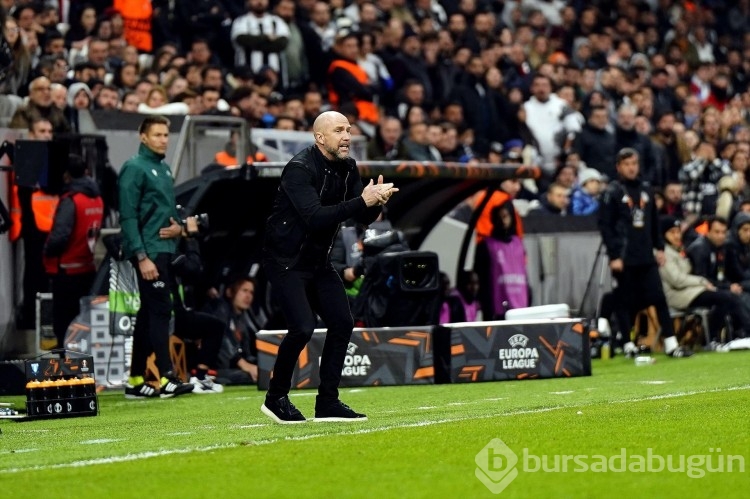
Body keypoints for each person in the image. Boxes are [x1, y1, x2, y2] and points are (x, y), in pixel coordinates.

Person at [261, 111, 397, 424]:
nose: (347, 136)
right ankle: (275, 397)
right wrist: (363, 201)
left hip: (318, 261)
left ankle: (328, 402)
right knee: (303, 328)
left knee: (342, 321)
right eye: (339, 130)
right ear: (320, 138)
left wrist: (377, 203)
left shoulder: (348, 167)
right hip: (285, 261)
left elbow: (360, 218)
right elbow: (316, 216)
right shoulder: (298, 168)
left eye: (348, 129)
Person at [118, 115, 193, 399]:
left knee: (148, 314)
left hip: (165, 250)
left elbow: (165, 212)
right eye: (158, 135)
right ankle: (167, 377)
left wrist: (178, 228)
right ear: (143, 137)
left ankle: (135, 381)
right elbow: (127, 216)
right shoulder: (134, 168)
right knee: (161, 310)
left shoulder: (162, 168)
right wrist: (141, 256)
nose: (164, 139)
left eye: (166, 134)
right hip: (149, 252)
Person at [598, 148, 692, 358]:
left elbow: (653, 223)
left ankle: (671, 344)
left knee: (658, 297)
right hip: (624, 256)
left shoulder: (647, 190)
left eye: (634, 163)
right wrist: (614, 255)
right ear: (618, 167)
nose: (632, 168)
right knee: (624, 300)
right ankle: (628, 344)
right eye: (627, 164)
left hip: (645, 255)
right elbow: (605, 226)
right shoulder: (612, 193)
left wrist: (659, 248)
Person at [42, 154, 103, 348]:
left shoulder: (71, 200)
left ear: (67, 176)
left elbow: (60, 236)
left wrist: (46, 251)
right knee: (83, 322)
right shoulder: (97, 199)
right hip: (87, 268)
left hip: (66, 271)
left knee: (64, 324)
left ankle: (66, 365)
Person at [659, 215, 749, 343]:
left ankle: (723, 336)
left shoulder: (677, 250)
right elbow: (677, 280)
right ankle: (711, 338)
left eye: (678, 231)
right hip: (676, 295)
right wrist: (702, 282)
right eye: (672, 232)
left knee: (727, 297)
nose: (677, 235)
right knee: (726, 297)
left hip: (690, 291)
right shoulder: (664, 253)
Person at [204, 276, 262, 385]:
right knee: (246, 376)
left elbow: (245, 352)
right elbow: (222, 342)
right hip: (214, 368)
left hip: (231, 367)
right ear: (230, 292)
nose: (248, 296)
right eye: (244, 290)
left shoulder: (241, 319)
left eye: (251, 292)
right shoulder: (220, 310)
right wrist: (243, 364)